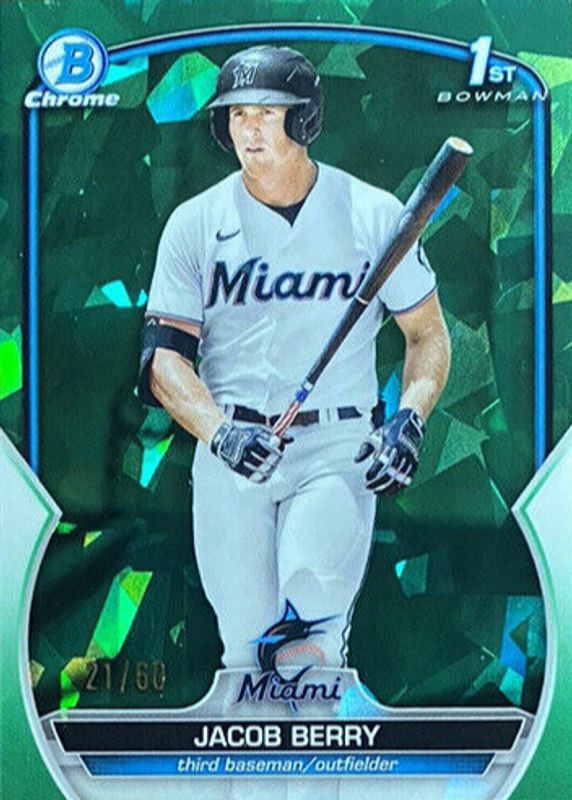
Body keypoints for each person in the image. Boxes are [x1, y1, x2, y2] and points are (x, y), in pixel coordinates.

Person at [138, 45, 451, 671]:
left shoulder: (371, 213)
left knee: (309, 631)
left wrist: (409, 419)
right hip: (232, 446)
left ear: (304, 119)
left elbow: (428, 335)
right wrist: (220, 434)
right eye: (237, 114)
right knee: (246, 648)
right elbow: (162, 363)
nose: (248, 129)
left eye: (266, 112)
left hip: (336, 446)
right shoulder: (195, 223)